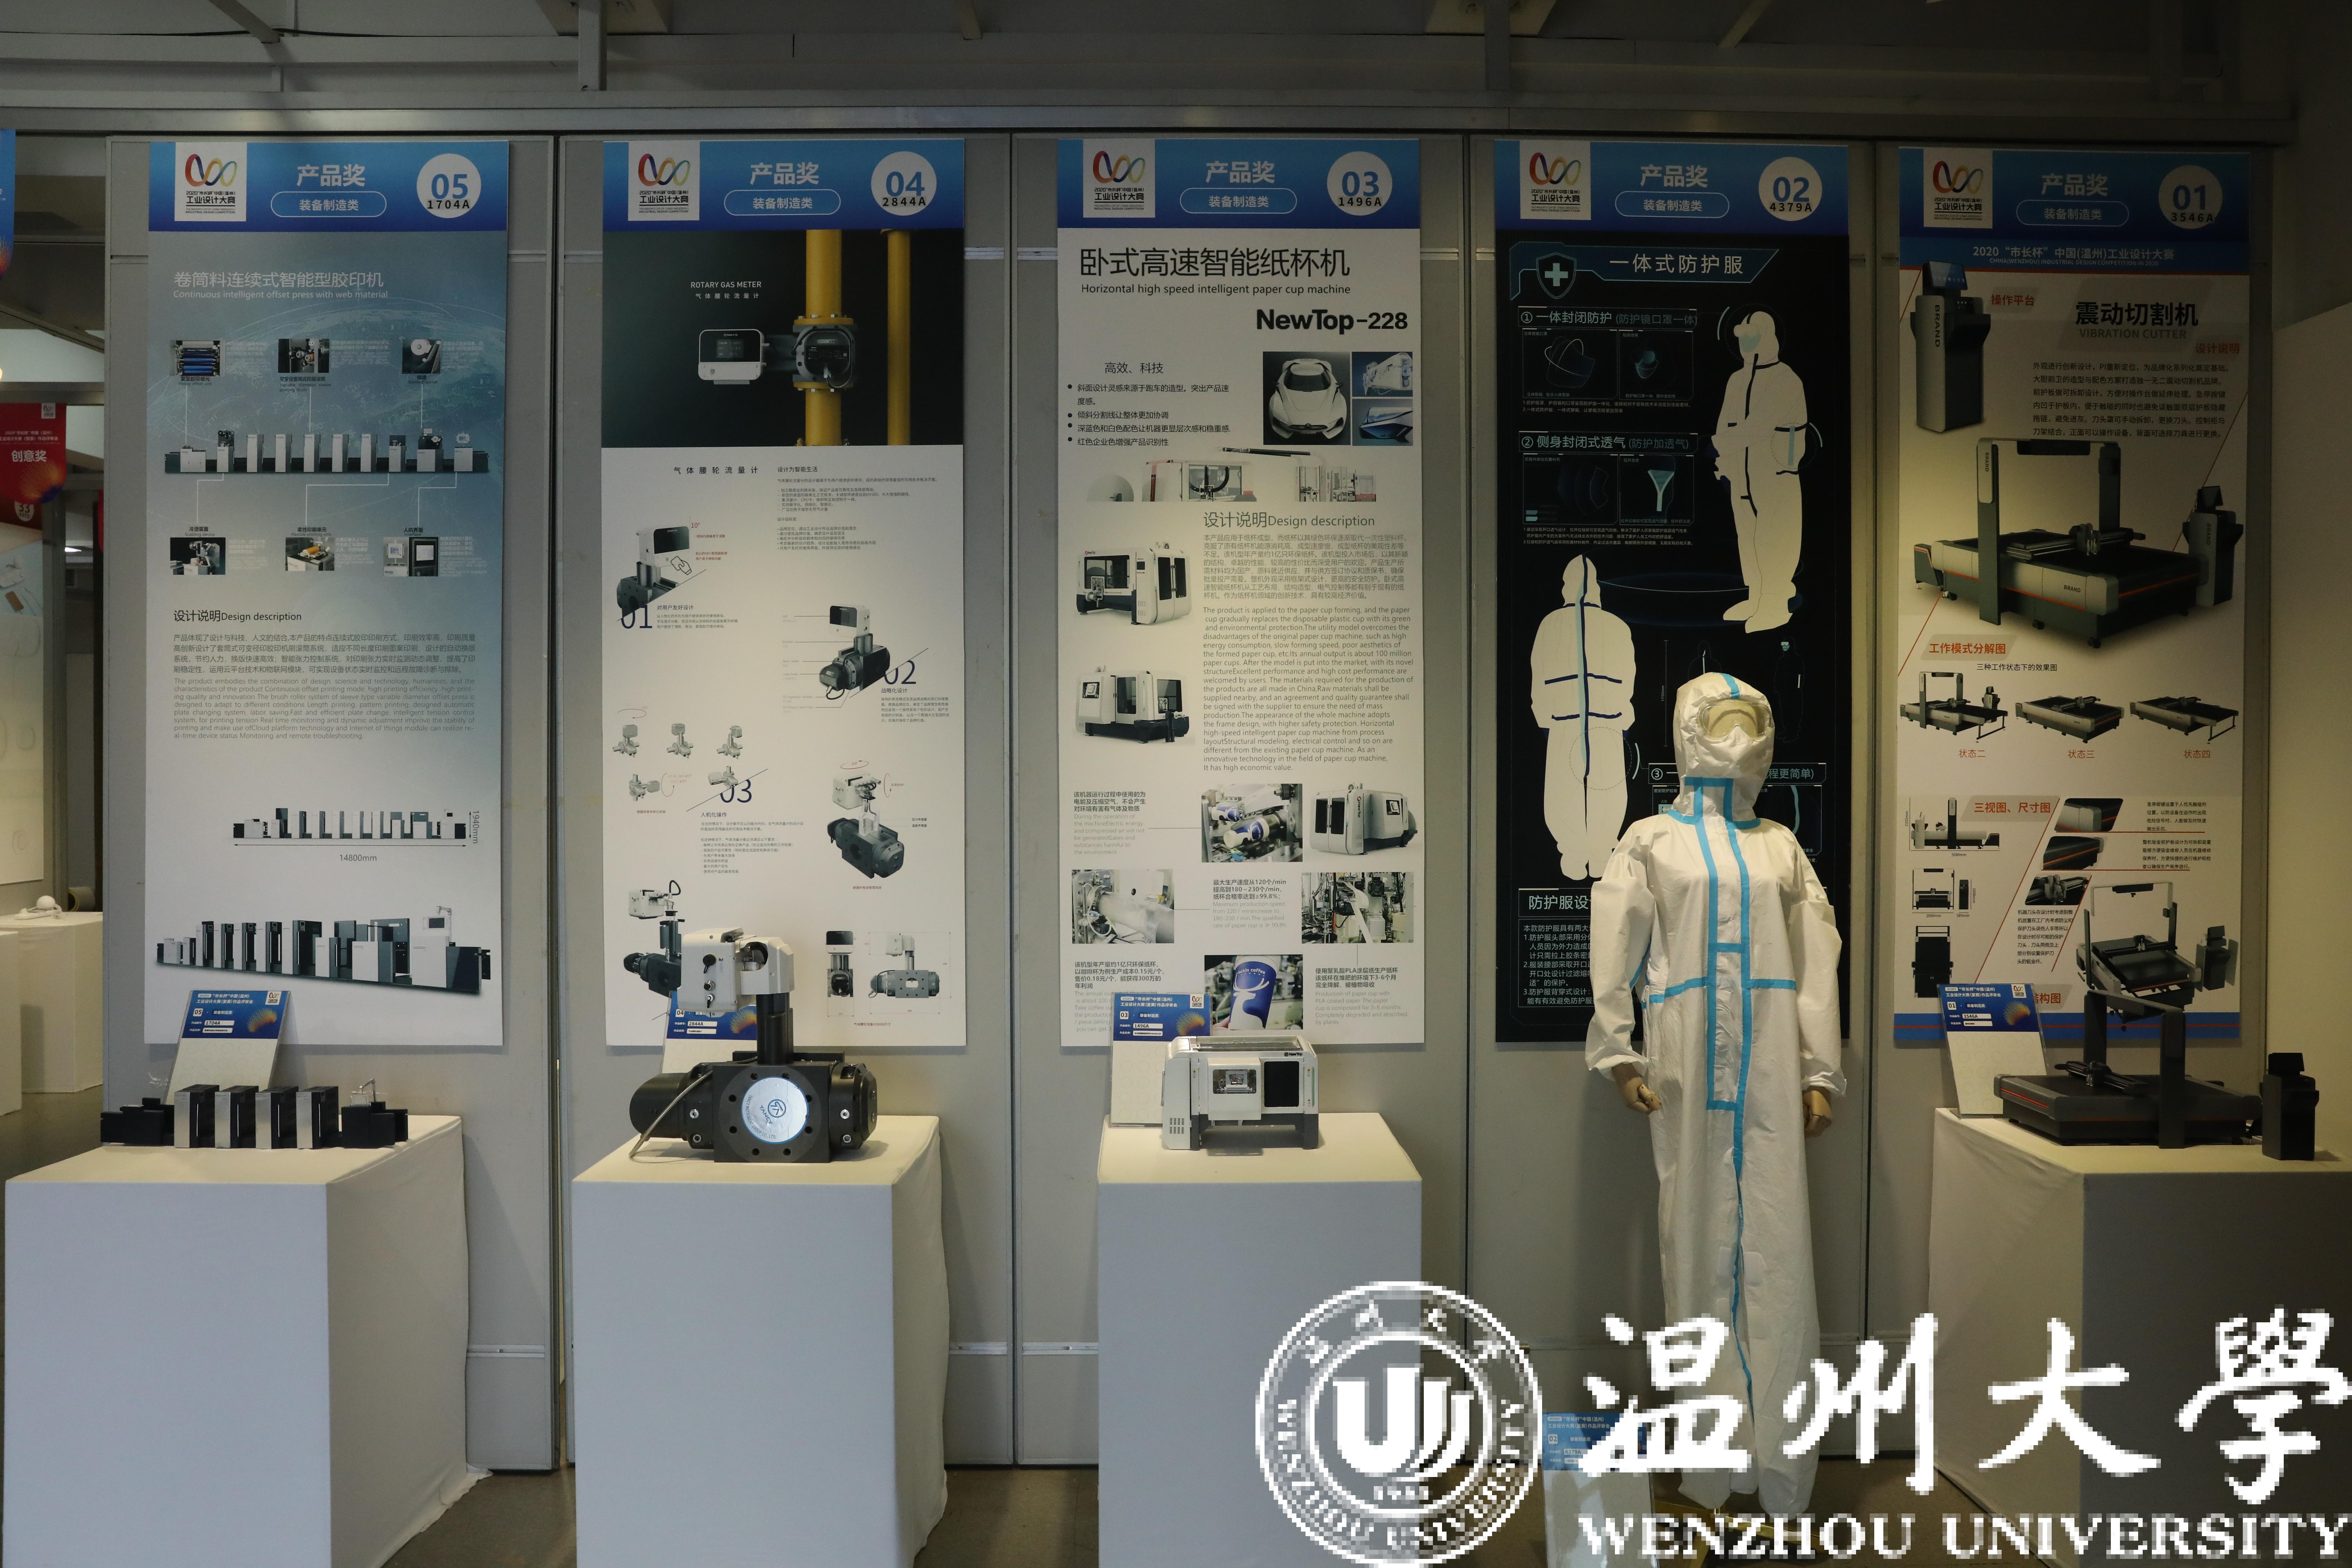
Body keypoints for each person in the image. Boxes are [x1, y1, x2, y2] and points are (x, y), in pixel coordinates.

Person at [1585, 674, 1845, 1514]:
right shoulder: (1651, 840)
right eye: (1721, 723)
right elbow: (1615, 946)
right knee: (1693, 1244)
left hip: (1769, 1059)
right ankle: (1711, 1462)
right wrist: (1619, 1054)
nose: (1737, 738)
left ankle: (1781, 1466)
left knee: (1780, 1249)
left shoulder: (1781, 847)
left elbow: (1817, 963)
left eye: (1749, 724)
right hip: (1685, 1060)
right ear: (1689, 733)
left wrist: (1818, 1070)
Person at [1530, 556, 1636, 881]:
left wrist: (1544, 716)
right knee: (1605, 786)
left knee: (1564, 788)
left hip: (1566, 719)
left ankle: (1577, 853)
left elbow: (1538, 673)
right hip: (1605, 719)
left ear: (1566, 585)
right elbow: (1628, 675)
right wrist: (1624, 714)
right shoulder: (1617, 625)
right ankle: (1598, 852)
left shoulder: (1550, 623)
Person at [1710, 311, 1807, 633]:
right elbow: (1725, 423)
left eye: (1752, 338)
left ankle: (1776, 605)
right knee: (1749, 540)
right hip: (1741, 478)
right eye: (1743, 338)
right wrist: (1724, 466)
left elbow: (1759, 426)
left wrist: (1715, 446)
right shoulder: (1736, 380)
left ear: (1767, 338)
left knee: (1774, 541)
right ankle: (1757, 598)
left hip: (1776, 477)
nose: (1746, 344)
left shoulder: (1787, 380)